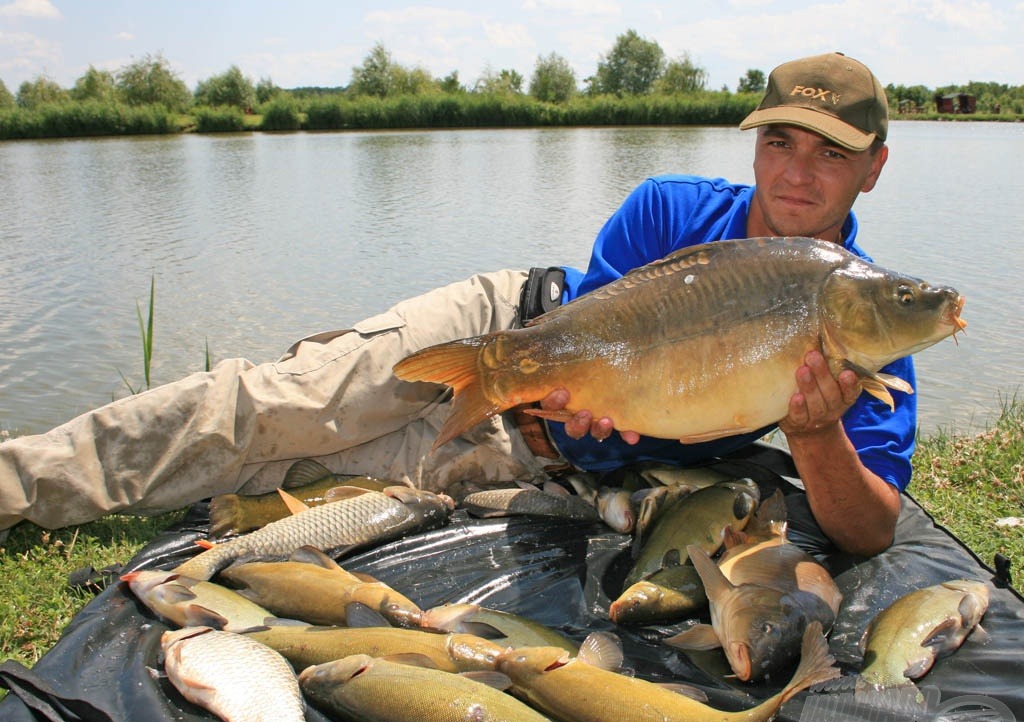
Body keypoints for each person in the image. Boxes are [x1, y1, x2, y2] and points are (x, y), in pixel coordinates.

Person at [0, 52, 901, 557]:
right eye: (781, 142)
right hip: (508, 328)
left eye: (829, 154)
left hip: (551, 454)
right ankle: (20, 481)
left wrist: (817, 436)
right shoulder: (667, 209)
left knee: (303, 473)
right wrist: (567, 407)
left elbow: (873, 529)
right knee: (283, 405)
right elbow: (579, 346)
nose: (795, 172)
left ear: (873, 167)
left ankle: (115, 498)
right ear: (755, 146)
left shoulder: (867, 318)